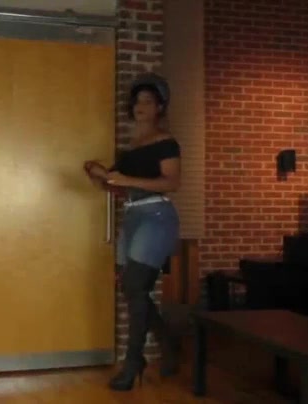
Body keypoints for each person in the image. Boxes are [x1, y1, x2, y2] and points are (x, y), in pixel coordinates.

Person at [84, 73, 182, 391]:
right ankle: (168, 342)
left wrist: (126, 180)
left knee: (136, 286)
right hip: (133, 216)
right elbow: (117, 189)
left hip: (156, 215)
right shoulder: (131, 149)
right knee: (131, 288)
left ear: (159, 107)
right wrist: (98, 176)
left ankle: (133, 362)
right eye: (137, 101)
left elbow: (172, 182)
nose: (141, 106)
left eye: (148, 102)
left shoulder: (166, 141)